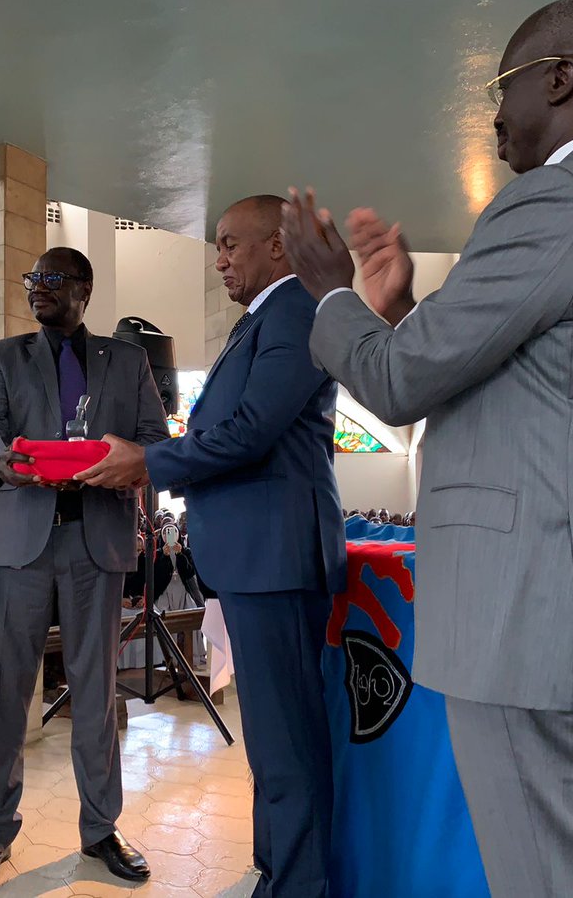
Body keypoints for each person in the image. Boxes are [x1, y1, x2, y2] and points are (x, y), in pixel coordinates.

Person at [281, 0, 573, 895]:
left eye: (501, 86)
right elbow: (518, 388)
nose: (493, 115)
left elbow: (395, 384)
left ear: (561, 76)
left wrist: (329, 291)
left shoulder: (554, 199)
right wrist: (406, 316)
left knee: (553, 881)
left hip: (531, 620)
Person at [77, 194, 347, 898]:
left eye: (231, 244)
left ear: (279, 248)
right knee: (271, 742)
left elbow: (254, 428)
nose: (220, 259)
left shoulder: (297, 312)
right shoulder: (257, 321)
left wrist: (149, 461)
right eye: (217, 246)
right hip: (254, 558)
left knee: (289, 745)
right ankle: (276, 870)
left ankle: (301, 885)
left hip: (277, 557)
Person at [0, 247, 169, 893]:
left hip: (95, 542)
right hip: (19, 541)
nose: (38, 289)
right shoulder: (4, 356)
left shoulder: (126, 359)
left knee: (97, 694)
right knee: (6, 698)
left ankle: (102, 829)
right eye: (32, 279)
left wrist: (127, 462)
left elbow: (154, 440)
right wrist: (1, 463)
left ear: (84, 289)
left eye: (52, 280)